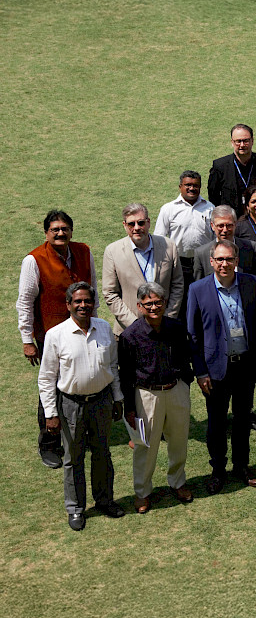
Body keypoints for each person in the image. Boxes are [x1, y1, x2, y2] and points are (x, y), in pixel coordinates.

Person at [38, 282, 126, 530]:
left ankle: (105, 501)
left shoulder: (104, 328)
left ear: (93, 303)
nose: (83, 305)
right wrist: (51, 414)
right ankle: (76, 508)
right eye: (77, 301)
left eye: (87, 301)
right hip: (71, 405)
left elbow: (112, 366)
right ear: (68, 305)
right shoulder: (56, 335)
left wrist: (117, 398)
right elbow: (46, 378)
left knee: (102, 453)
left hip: (102, 401)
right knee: (73, 458)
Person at [187, 240, 256, 494]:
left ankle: (241, 466)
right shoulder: (197, 289)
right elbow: (193, 335)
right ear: (211, 262)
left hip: (245, 365)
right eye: (220, 259)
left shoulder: (250, 283)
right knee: (217, 422)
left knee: (243, 419)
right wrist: (200, 371)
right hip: (215, 370)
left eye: (229, 259)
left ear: (236, 261)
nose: (224, 264)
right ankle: (218, 470)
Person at [18, 210, 97, 468]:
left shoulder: (84, 252)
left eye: (65, 229)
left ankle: (81, 433)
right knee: (50, 387)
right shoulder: (34, 260)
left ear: (71, 231)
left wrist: (95, 325)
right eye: (55, 230)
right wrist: (27, 339)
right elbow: (25, 301)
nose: (61, 233)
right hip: (50, 336)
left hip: (83, 332)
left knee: (82, 380)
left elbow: (93, 291)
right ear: (46, 233)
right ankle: (49, 443)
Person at [118, 282, 194, 513]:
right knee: (145, 447)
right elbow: (126, 375)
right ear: (139, 306)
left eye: (158, 302)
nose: (154, 307)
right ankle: (142, 492)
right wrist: (130, 408)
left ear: (164, 303)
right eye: (148, 303)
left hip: (176, 390)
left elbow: (186, 355)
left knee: (179, 440)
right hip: (147, 395)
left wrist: (185, 383)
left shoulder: (176, 328)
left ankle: (178, 482)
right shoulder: (130, 336)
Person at [103, 203, 184, 335]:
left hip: (165, 330)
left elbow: (178, 285)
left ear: (148, 222)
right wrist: (135, 325)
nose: (136, 228)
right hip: (129, 332)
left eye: (141, 223)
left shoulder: (169, 246)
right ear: (124, 225)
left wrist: (167, 319)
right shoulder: (113, 251)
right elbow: (110, 293)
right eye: (131, 224)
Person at [153, 170, 214, 294]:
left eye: (195, 185)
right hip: (178, 263)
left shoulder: (210, 208)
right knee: (180, 296)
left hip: (204, 262)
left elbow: (215, 236)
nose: (192, 188)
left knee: (204, 294)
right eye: (188, 185)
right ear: (180, 186)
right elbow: (159, 238)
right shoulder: (168, 209)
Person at [208, 124, 256, 218]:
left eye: (246, 140)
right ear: (232, 142)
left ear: (252, 141)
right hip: (232, 218)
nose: (242, 145)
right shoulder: (220, 166)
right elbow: (213, 195)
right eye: (238, 141)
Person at [193, 205, 256, 282]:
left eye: (229, 225)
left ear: (235, 224)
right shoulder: (202, 254)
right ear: (212, 226)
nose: (225, 230)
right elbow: (199, 285)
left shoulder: (250, 248)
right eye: (220, 226)